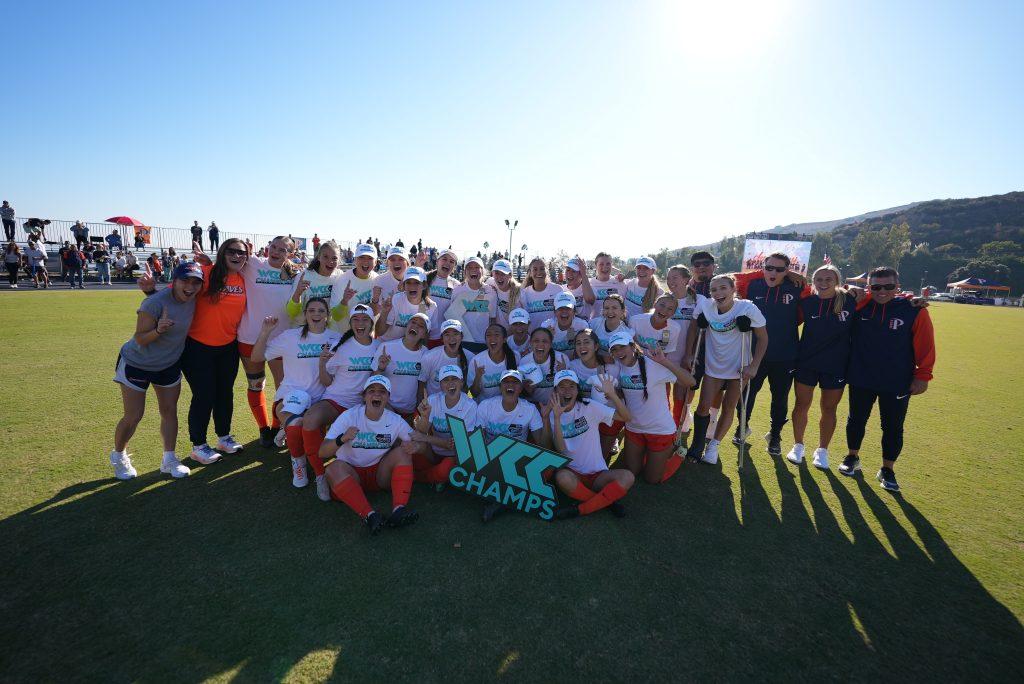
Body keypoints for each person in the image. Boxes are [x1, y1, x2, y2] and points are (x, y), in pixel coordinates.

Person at [143, 239, 248, 464]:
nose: (237, 256)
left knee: (225, 393)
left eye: (242, 253)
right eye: (231, 251)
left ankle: (224, 437)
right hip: (197, 347)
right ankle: (199, 445)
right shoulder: (206, 273)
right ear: (222, 253)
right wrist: (151, 290)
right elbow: (175, 294)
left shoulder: (243, 278)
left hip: (228, 347)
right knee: (204, 394)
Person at [839, 267, 935, 493]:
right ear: (868, 287)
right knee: (856, 420)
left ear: (897, 287)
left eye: (888, 287)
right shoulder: (860, 305)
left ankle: (887, 469)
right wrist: (849, 289)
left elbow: (926, 346)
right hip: (861, 375)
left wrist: (923, 376)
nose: (882, 291)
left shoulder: (913, 310)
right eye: (876, 287)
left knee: (892, 426)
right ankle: (853, 457)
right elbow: (837, 297)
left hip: (897, 379)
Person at [109, 262, 205, 480]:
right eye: (185, 281)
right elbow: (140, 339)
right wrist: (158, 330)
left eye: (195, 282)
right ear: (175, 281)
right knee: (134, 415)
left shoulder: (194, 299)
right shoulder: (153, 303)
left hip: (169, 364)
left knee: (169, 411)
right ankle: (119, 455)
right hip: (137, 362)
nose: (190, 287)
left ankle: (169, 460)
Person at [250, 298, 340, 493]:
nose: (316, 314)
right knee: (295, 426)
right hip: (290, 397)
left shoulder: (336, 338)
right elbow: (256, 357)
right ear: (305, 314)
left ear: (327, 315)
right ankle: (298, 466)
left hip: (320, 402)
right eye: (312, 310)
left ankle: (312, 462)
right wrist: (265, 331)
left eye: (321, 311)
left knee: (309, 430)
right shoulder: (290, 336)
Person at [731, 252, 811, 455]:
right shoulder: (753, 284)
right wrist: (784, 271)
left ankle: (775, 435)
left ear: (787, 270)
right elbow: (730, 278)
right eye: (769, 268)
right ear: (763, 268)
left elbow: (802, 316)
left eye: (780, 269)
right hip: (754, 353)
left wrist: (791, 275)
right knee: (747, 394)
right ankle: (742, 427)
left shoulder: (798, 287)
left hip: (785, 354)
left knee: (780, 398)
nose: (773, 272)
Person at [684, 274, 768, 466]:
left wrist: (754, 365)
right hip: (714, 364)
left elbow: (763, 338)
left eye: (723, 288)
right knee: (704, 405)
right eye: (714, 289)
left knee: (729, 406)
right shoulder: (706, 306)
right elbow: (693, 328)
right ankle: (697, 445)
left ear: (733, 289)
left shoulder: (747, 308)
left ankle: (713, 445)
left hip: (739, 366)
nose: (718, 293)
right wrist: (689, 353)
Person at [299, 304, 381, 497]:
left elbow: (377, 379)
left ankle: (376, 472)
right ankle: (320, 475)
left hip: (361, 405)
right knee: (310, 419)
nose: (360, 323)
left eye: (364, 320)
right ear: (350, 322)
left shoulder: (379, 346)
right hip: (336, 400)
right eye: (356, 320)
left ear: (371, 323)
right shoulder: (341, 346)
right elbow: (327, 381)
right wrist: (321, 363)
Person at [320, 375, 420, 534]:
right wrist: (342, 438)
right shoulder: (349, 416)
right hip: (351, 474)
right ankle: (370, 516)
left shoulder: (395, 420)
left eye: (382, 391)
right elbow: (323, 452)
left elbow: (417, 441)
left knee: (403, 452)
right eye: (371, 391)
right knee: (333, 468)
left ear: (388, 397)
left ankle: (398, 510)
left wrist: (415, 446)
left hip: (380, 474)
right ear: (364, 396)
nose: (377, 394)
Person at [786, 265, 856, 469]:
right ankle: (798, 446)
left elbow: (879, 295)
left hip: (836, 364)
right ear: (813, 282)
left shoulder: (850, 300)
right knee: (801, 405)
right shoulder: (807, 302)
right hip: (806, 362)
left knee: (829, 408)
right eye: (819, 279)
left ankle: (822, 450)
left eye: (828, 279)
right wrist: (790, 273)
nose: (823, 283)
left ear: (837, 281)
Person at [237, 236, 299, 447]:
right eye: (274, 247)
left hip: (281, 339)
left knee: (282, 386)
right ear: (268, 248)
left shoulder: (295, 274)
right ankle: (263, 429)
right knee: (256, 384)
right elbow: (229, 262)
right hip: (250, 336)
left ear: (289, 254)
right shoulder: (253, 263)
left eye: (282, 250)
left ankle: (276, 426)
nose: (276, 252)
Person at [607, 333, 694, 482]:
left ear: (633, 346)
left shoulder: (653, 365)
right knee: (632, 472)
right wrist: (613, 392)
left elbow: (690, 382)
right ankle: (652, 455)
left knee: (652, 479)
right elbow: (627, 392)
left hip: (660, 430)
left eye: (622, 347)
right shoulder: (617, 369)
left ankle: (677, 456)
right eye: (614, 349)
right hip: (634, 429)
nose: (619, 352)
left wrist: (664, 361)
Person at [547, 370, 634, 519]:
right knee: (562, 478)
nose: (567, 390)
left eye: (571, 386)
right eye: (562, 387)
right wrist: (556, 417)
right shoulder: (551, 414)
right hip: (573, 475)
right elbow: (561, 449)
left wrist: (612, 394)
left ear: (577, 389)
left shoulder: (590, 406)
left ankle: (580, 509)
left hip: (598, 474)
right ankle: (607, 501)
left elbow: (626, 417)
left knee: (628, 477)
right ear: (555, 391)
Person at [476, 370, 551, 522]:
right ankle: (513, 499)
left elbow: (543, 445)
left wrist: (545, 419)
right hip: (492, 458)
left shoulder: (529, 409)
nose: (510, 385)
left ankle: (499, 502)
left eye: (515, 382)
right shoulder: (486, 406)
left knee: (548, 467)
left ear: (521, 387)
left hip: (517, 461)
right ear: (500, 386)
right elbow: (478, 441)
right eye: (506, 381)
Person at [411, 364, 477, 484]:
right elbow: (420, 431)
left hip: (455, 456)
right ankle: (434, 476)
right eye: (446, 380)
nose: (450, 383)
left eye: (454, 379)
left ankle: (424, 478)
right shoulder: (432, 400)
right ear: (440, 385)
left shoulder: (470, 405)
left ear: (461, 382)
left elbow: (457, 445)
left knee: (445, 468)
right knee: (414, 446)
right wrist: (425, 417)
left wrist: (426, 438)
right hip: (434, 451)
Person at [666, 265, 703, 437]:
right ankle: (664, 426)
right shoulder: (664, 299)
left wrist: (690, 354)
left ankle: (676, 428)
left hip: (686, 356)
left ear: (686, 280)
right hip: (665, 356)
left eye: (675, 277)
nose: (670, 281)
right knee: (663, 393)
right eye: (668, 277)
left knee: (680, 393)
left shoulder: (698, 300)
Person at [372, 312, 430, 420]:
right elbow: (373, 382)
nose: (415, 326)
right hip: (386, 407)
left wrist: (417, 413)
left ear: (424, 334)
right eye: (413, 322)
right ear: (407, 326)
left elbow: (421, 386)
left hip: (409, 412)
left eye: (421, 326)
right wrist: (381, 368)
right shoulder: (386, 347)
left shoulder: (426, 354)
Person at [446, 256, 496, 351]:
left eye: (477, 267)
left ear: (483, 271)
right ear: (465, 272)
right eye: (469, 268)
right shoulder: (457, 291)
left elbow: (492, 319)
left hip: (483, 343)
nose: (473, 270)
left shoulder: (490, 291)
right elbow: (452, 317)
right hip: (462, 342)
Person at [375, 267, 437, 342]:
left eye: (417, 282)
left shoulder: (431, 307)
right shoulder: (395, 300)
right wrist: (384, 312)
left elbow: (426, 337)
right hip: (386, 343)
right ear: (404, 286)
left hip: (410, 347)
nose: (412, 286)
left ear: (424, 285)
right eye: (408, 282)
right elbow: (379, 332)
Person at [330, 243, 378, 333]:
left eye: (370, 258)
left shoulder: (378, 280)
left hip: (365, 336)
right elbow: (336, 317)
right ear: (355, 260)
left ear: (375, 262)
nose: (365, 262)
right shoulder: (342, 280)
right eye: (361, 257)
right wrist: (344, 301)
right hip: (342, 335)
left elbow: (375, 314)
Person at [420, 319, 476, 397]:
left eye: (455, 334)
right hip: (434, 406)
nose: (451, 338)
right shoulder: (429, 357)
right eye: (447, 335)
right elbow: (421, 384)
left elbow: (472, 391)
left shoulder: (471, 358)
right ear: (442, 339)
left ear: (462, 336)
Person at [519, 326, 570, 407]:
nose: (540, 344)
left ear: (550, 344)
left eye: (545, 341)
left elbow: (568, 390)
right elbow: (524, 394)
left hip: (556, 406)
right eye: (536, 341)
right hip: (533, 406)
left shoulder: (561, 359)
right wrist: (529, 388)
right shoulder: (524, 362)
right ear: (530, 343)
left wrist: (563, 375)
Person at [469, 322, 518, 401]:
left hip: (508, 406)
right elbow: (470, 395)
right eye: (488, 335)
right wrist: (477, 377)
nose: (492, 338)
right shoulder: (476, 361)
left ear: (504, 339)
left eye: (496, 335)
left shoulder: (515, 357)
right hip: (484, 408)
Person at [423, 248, 459, 347]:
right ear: (437, 261)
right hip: (422, 335)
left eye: (452, 261)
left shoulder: (457, 285)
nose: (448, 263)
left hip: (444, 338)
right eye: (444, 259)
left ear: (454, 267)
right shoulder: (424, 278)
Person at [519, 257, 566, 332]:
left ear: (546, 271)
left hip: (553, 337)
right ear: (530, 273)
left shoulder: (557, 290)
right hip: (533, 339)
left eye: (542, 269)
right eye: (535, 269)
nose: (539, 272)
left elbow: (564, 313)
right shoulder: (524, 293)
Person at [541, 291, 589, 357]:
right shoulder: (546, 326)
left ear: (574, 311)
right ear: (555, 311)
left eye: (568, 308)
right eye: (560, 308)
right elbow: (541, 352)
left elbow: (587, 352)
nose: (564, 311)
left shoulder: (582, 326)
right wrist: (546, 339)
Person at [589, 293, 634, 358]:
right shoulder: (594, 323)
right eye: (606, 308)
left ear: (622, 311)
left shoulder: (627, 333)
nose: (610, 311)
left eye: (614, 308)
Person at [487, 258, 520, 329]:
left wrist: (505, 337)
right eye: (496, 273)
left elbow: (520, 321)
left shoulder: (519, 292)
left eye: (503, 274)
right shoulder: (490, 282)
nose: (499, 277)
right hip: (494, 333)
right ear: (492, 274)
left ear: (510, 275)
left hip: (510, 335)